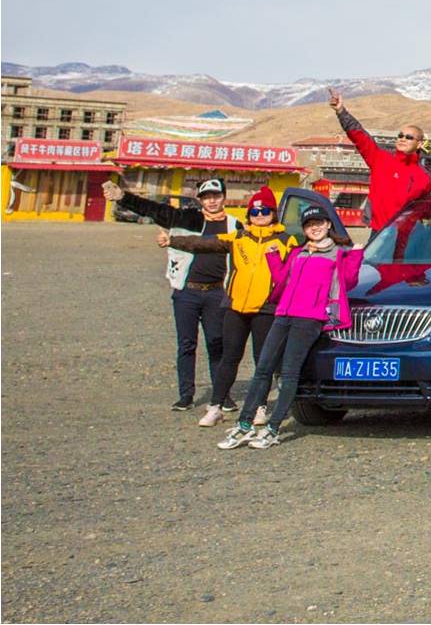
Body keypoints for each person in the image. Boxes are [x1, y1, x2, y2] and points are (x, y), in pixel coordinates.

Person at [218, 204, 364, 450]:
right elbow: (281, 280)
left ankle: (273, 429)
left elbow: (349, 281)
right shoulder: (298, 252)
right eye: (309, 225)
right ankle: (244, 424)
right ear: (304, 229)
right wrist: (273, 257)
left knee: (289, 374)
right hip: (283, 314)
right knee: (262, 369)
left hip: (309, 319)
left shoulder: (338, 254)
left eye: (319, 223)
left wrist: (357, 255)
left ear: (328, 225)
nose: (315, 228)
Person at [158, 186, 298, 427]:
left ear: (273, 213)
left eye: (265, 211)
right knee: (229, 358)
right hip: (236, 307)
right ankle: (216, 406)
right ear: (249, 215)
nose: (260, 215)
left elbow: (304, 261)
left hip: (265, 308)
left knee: (263, 361)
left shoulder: (287, 240)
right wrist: (172, 241)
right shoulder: (238, 237)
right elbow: (203, 243)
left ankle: (260, 407)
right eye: (255, 212)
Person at [110, 177, 236, 411]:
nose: (212, 201)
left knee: (217, 344)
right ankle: (186, 395)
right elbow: (155, 210)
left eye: (216, 196)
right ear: (200, 200)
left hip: (218, 293)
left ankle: (222, 396)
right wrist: (123, 197)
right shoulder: (188, 219)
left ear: (224, 198)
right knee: (186, 344)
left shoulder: (234, 225)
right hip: (187, 292)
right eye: (207, 197)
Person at [328, 87, 431, 231]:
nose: (402, 139)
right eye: (400, 135)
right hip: (378, 232)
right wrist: (341, 111)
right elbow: (359, 136)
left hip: (407, 234)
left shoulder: (424, 177)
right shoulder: (381, 159)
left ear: (419, 144)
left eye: (409, 137)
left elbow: (426, 209)